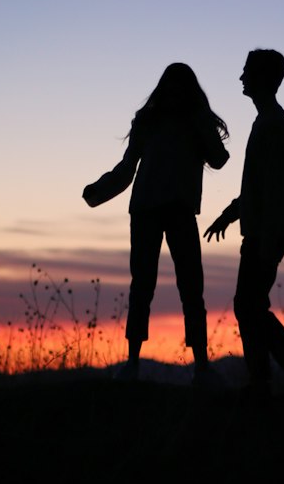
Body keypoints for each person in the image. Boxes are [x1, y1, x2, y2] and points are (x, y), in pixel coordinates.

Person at [83, 62, 229, 380]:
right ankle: (136, 362)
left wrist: (201, 124)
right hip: (149, 209)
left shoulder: (192, 121)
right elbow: (126, 169)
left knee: (188, 286)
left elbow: (219, 159)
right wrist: (98, 190)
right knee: (147, 285)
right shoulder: (148, 121)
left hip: (175, 210)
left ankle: (199, 365)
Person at [205, 49, 284, 400]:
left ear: (264, 79)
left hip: (268, 230)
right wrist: (232, 213)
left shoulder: (273, 124)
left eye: (247, 73)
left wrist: (266, 234)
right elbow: (259, 184)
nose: (241, 78)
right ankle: (269, 381)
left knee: (249, 305)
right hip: (263, 227)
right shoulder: (268, 121)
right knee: (250, 306)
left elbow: (272, 186)